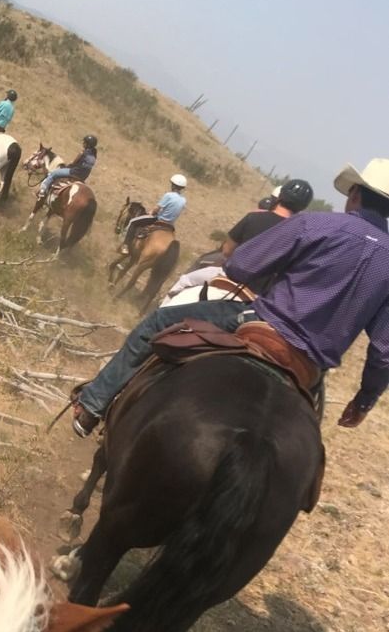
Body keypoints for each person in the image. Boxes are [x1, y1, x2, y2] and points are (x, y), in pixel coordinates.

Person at [69, 158, 389, 437]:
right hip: (310, 367)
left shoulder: (317, 224)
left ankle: (93, 405)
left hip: (263, 327)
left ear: (355, 194)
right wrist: (363, 401)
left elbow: (240, 265)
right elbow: (383, 351)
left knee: (157, 322)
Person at [162, 179, 314, 301]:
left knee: (184, 281)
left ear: (280, 196)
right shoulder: (300, 236)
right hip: (258, 295)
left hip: (229, 277)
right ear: (301, 208)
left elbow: (227, 250)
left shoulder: (253, 218)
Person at [120, 174, 187, 254]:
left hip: (159, 219)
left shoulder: (169, 195)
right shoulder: (183, 200)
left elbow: (157, 209)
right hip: (170, 225)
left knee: (133, 222)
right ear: (182, 188)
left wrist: (151, 212)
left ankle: (125, 246)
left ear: (173, 185)